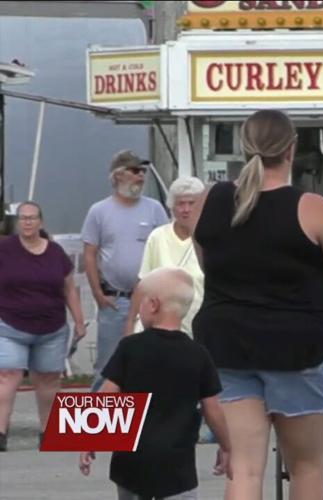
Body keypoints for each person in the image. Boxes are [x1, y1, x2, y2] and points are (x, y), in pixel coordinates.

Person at [191, 109, 323, 500]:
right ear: (292, 149)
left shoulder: (207, 202)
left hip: (226, 345)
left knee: (244, 470)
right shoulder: (312, 208)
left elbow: (205, 262)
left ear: (244, 147)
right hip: (297, 347)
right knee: (306, 468)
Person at [79, 267, 232, 499]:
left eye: (139, 304)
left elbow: (106, 395)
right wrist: (226, 446)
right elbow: (213, 409)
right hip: (177, 468)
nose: (138, 312)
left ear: (153, 305)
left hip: (130, 464)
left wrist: (87, 439)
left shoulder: (130, 347)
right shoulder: (198, 354)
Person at [0, 202, 87, 451]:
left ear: (41, 222)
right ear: (18, 223)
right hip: (9, 325)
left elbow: (69, 287)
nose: (27, 222)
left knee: (48, 380)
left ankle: (49, 433)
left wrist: (79, 321)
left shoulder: (56, 252)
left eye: (32, 218)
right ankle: (0, 433)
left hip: (51, 328)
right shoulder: (5, 249)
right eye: (23, 218)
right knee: (7, 375)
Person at [82, 150, 168, 391]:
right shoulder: (98, 211)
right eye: (135, 171)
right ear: (118, 175)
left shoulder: (155, 210)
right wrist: (98, 294)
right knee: (108, 364)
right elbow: (89, 253)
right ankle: (98, 423)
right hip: (115, 301)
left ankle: (146, 420)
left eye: (143, 171)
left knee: (150, 362)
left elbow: (165, 248)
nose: (141, 176)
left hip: (150, 302)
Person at [124, 176, 206, 337]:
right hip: (162, 326)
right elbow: (143, 283)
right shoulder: (158, 237)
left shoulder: (209, 238)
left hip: (200, 325)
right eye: (180, 203)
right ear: (172, 207)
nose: (186, 209)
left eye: (191, 203)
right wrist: (130, 323)